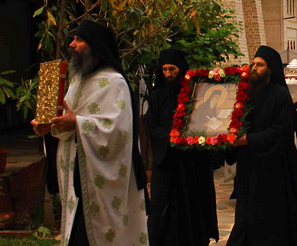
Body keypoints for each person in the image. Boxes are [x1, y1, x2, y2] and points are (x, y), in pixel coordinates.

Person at [32, 19, 148, 246]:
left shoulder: (114, 82)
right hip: (76, 171)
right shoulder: (77, 80)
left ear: (94, 44)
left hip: (100, 179)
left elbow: (117, 131)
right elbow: (66, 119)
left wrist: (77, 123)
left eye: (78, 39)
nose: (72, 44)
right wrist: (49, 126)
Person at [227, 45, 297, 246]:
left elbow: (281, 131)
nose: (254, 68)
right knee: (248, 214)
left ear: (270, 69)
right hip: (250, 165)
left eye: (260, 65)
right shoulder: (247, 94)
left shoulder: (281, 95)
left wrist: (249, 140)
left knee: (272, 218)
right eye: (253, 64)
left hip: (275, 167)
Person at [146, 49, 218, 245]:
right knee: (163, 206)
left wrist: (189, 138)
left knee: (192, 204)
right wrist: (170, 138)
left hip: (190, 162)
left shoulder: (195, 94)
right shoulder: (157, 96)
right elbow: (152, 124)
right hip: (167, 161)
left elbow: (204, 121)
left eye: (172, 69)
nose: (168, 74)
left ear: (181, 69)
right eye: (164, 69)